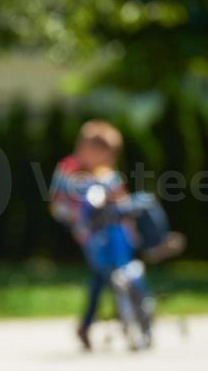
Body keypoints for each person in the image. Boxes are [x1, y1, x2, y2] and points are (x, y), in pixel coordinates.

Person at [49, 120, 183, 349]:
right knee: (100, 276)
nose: (109, 160)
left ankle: (156, 242)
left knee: (144, 205)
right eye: (105, 155)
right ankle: (92, 323)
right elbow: (57, 204)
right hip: (91, 231)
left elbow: (120, 199)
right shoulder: (70, 169)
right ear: (86, 149)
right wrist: (74, 216)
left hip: (114, 230)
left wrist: (130, 225)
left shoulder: (108, 174)